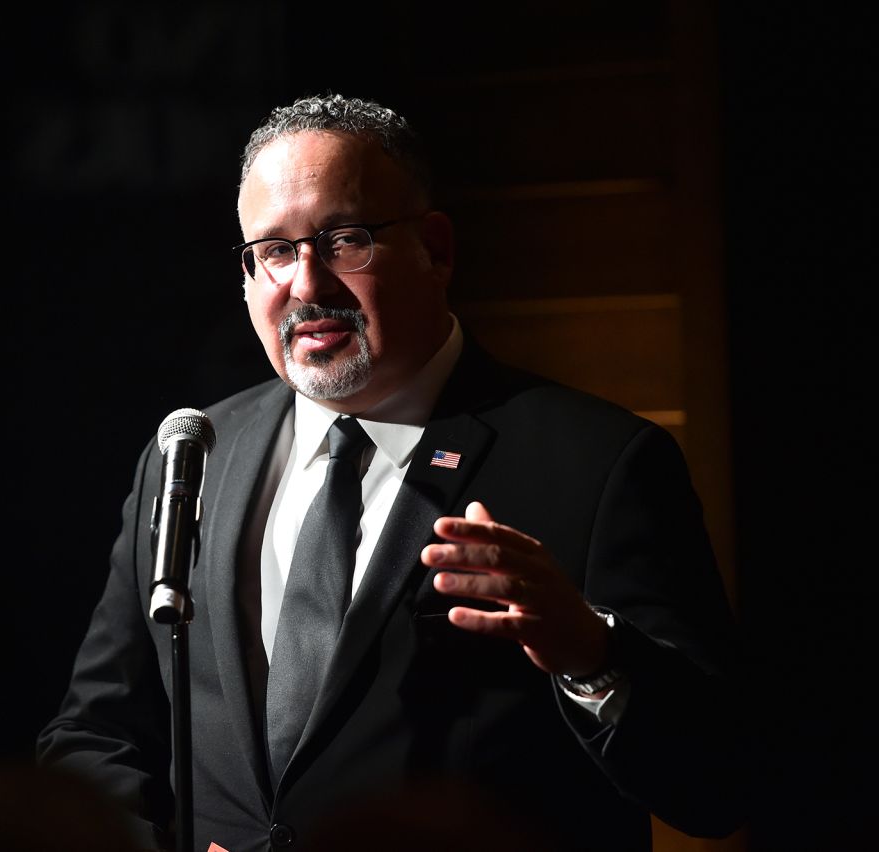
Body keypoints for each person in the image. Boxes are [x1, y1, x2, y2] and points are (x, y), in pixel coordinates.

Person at [37, 93, 748, 852]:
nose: (305, 285)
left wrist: (590, 654)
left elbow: (715, 784)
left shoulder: (600, 464)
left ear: (436, 249)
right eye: (274, 251)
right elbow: (94, 731)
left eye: (344, 239)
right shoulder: (193, 454)